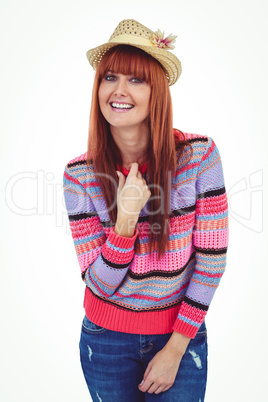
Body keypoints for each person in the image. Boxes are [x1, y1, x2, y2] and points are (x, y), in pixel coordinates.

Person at [63, 19, 229, 402]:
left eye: (136, 80)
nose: (119, 91)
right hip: (105, 341)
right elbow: (98, 285)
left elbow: (212, 260)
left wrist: (175, 348)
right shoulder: (79, 175)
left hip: (180, 335)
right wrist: (125, 221)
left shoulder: (200, 157)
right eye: (110, 78)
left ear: (158, 91)